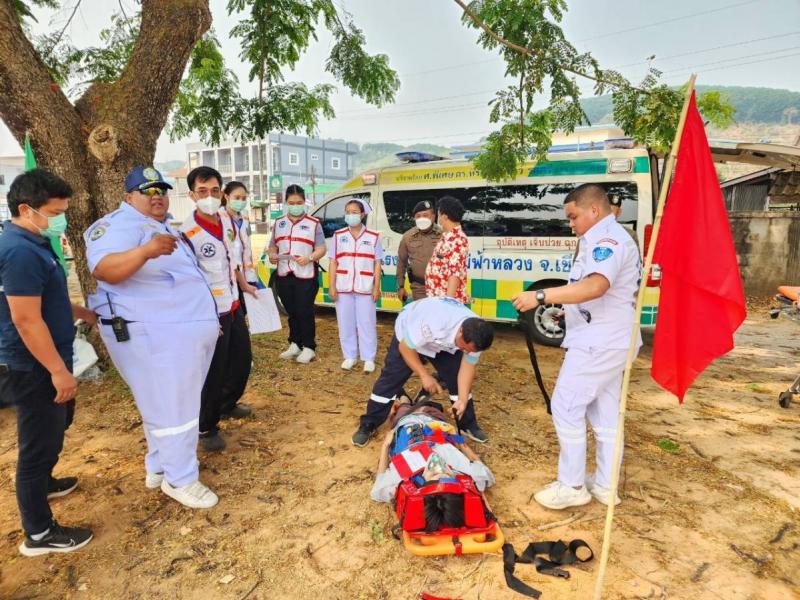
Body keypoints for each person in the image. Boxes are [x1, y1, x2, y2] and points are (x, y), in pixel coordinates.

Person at [86, 166, 220, 509]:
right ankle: (181, 479)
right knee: (175, 407)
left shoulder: (161, 226)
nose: (157, 196)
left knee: (164, 404)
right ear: (129, 196)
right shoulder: (119, 225)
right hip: (155, 334)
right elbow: (104, 269)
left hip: (177, 332)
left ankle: (160, 466)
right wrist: (145, 251)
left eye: (161, 190)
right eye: (147, 191)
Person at [512, 183, 641, 510]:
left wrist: (541, 296)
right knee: (605, 414)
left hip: (600, 342)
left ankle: (571, 485)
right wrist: (567, 313)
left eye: (573, 216)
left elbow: (596, 286)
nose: (570, 224)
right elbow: (591, 292)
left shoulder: (607, 241)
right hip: (609, 339)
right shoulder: (600, 239)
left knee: (566, 405)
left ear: (594, 210)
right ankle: (606, 485)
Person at [0, 169, 94, 555]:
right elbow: (25, 319)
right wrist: (57, 371)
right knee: (38, 444)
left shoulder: (35, 241)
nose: (60, 220)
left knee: (58, 425)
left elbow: (46, 299)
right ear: (27, 209)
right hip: (33, 366)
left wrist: (82, 313)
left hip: (52, 356)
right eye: (55, 212)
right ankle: (38, 533)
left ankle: (45, 483)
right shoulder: (18, 251)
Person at [180, 166, 255, 451]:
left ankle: (226, 404)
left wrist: (244, 286)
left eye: (214, 190)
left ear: (221, 193)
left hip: (233, 304)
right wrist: (206, 319)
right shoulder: (188, 233)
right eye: (202, 191)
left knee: (241, 360)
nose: (208, 196)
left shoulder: (227, 220)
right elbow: (190, 282)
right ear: (192, 195)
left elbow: (230, 260)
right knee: (213, 371)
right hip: (211, 314)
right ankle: (206, 426)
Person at [351, 297, 493, 447]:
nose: (466, 352)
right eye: (464, 348)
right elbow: (405, 347)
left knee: (456, 379)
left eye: (469, 350)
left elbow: (467, 368)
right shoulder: (434, 321)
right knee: (390, 380)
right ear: (460, 332)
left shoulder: (478, 336)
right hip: (408, 338)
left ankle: (467, 425)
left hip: (443, 345)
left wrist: (462, 400)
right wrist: (424, 375)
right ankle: (369, 424)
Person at [371, 400, 495, 510]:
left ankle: (405, 399)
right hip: (434, 420)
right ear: (454, 478)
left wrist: (385, 446)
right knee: (430, 405)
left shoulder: (402, 476)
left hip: (405, 421)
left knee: (404, 406)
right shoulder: (464, 472)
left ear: (422, 482)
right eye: (446, 472)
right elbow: (479, 466)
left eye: (433, 473)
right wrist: (461, 444)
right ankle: (421, 399)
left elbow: (379, 484)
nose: (437, 464)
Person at [267, 184, 327, 364]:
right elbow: (273, 246)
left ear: (304, 202)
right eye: (292, 203)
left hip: (305, 275)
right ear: (286, 202)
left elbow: (322, 248)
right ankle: (295, 343)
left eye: (299, 202)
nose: (295, 205)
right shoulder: (279, 223)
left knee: (304, 310)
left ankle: (309, 347)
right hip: (284, 274)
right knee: (291, 311)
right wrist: (272, 255)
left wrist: (310, 257)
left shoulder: (313, 223)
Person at [328, 198, 383, 373]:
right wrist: (331, 286)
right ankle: (350, 356)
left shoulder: (373, 237)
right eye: (348, 212)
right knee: (345, 323)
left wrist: (376, 287)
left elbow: (377, 264)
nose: (350, 215)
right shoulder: (338, 235)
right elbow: (333, 262)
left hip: (365, 287)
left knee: (367, 323)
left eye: (354, 212)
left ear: (362, 214)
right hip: (343, 286)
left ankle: (368, 358)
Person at [425, 196, 469, 304]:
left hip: (445, 302)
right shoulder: (446, 236)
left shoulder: (458, 239)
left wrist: (448, 304)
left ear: (444, 216)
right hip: (436, 299)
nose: (438, 218)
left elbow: (454, 273)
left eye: (439, 215)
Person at [396, 201, 441, 302]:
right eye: (418, 216)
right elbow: (401, 263)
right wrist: (400, 286)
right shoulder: (408, 237)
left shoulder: (443, 235)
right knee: (421, 312)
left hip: (440, 287)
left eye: (425, 215)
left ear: (433, 216)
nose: (422, 218)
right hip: (419, 288)